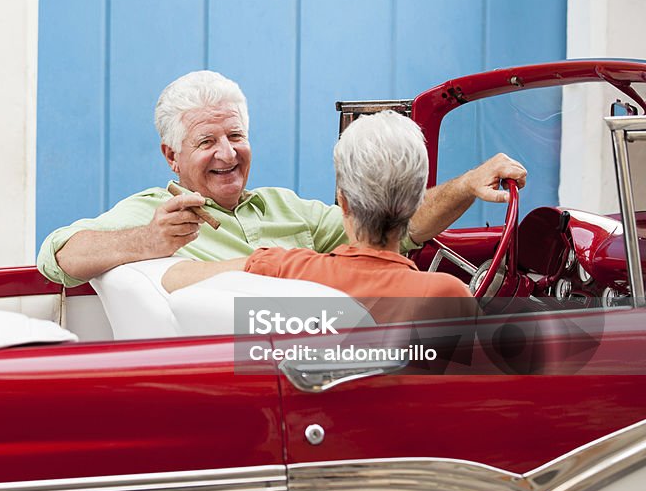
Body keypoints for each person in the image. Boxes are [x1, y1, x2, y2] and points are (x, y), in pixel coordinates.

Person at [37, 70, 526, 288]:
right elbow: (56, 257)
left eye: (236, 135)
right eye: (208, 142)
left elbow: (394, 229)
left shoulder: (287, 207)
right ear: (171, 156)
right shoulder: (156, 212)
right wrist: (149, 239)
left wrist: (465, 186)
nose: (227, 153)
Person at [161, 110, 478, 323]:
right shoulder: (446, 294)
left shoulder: (286, 267)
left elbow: (172, 278)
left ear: (343, 202)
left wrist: (258, 262)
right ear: (415, 203)